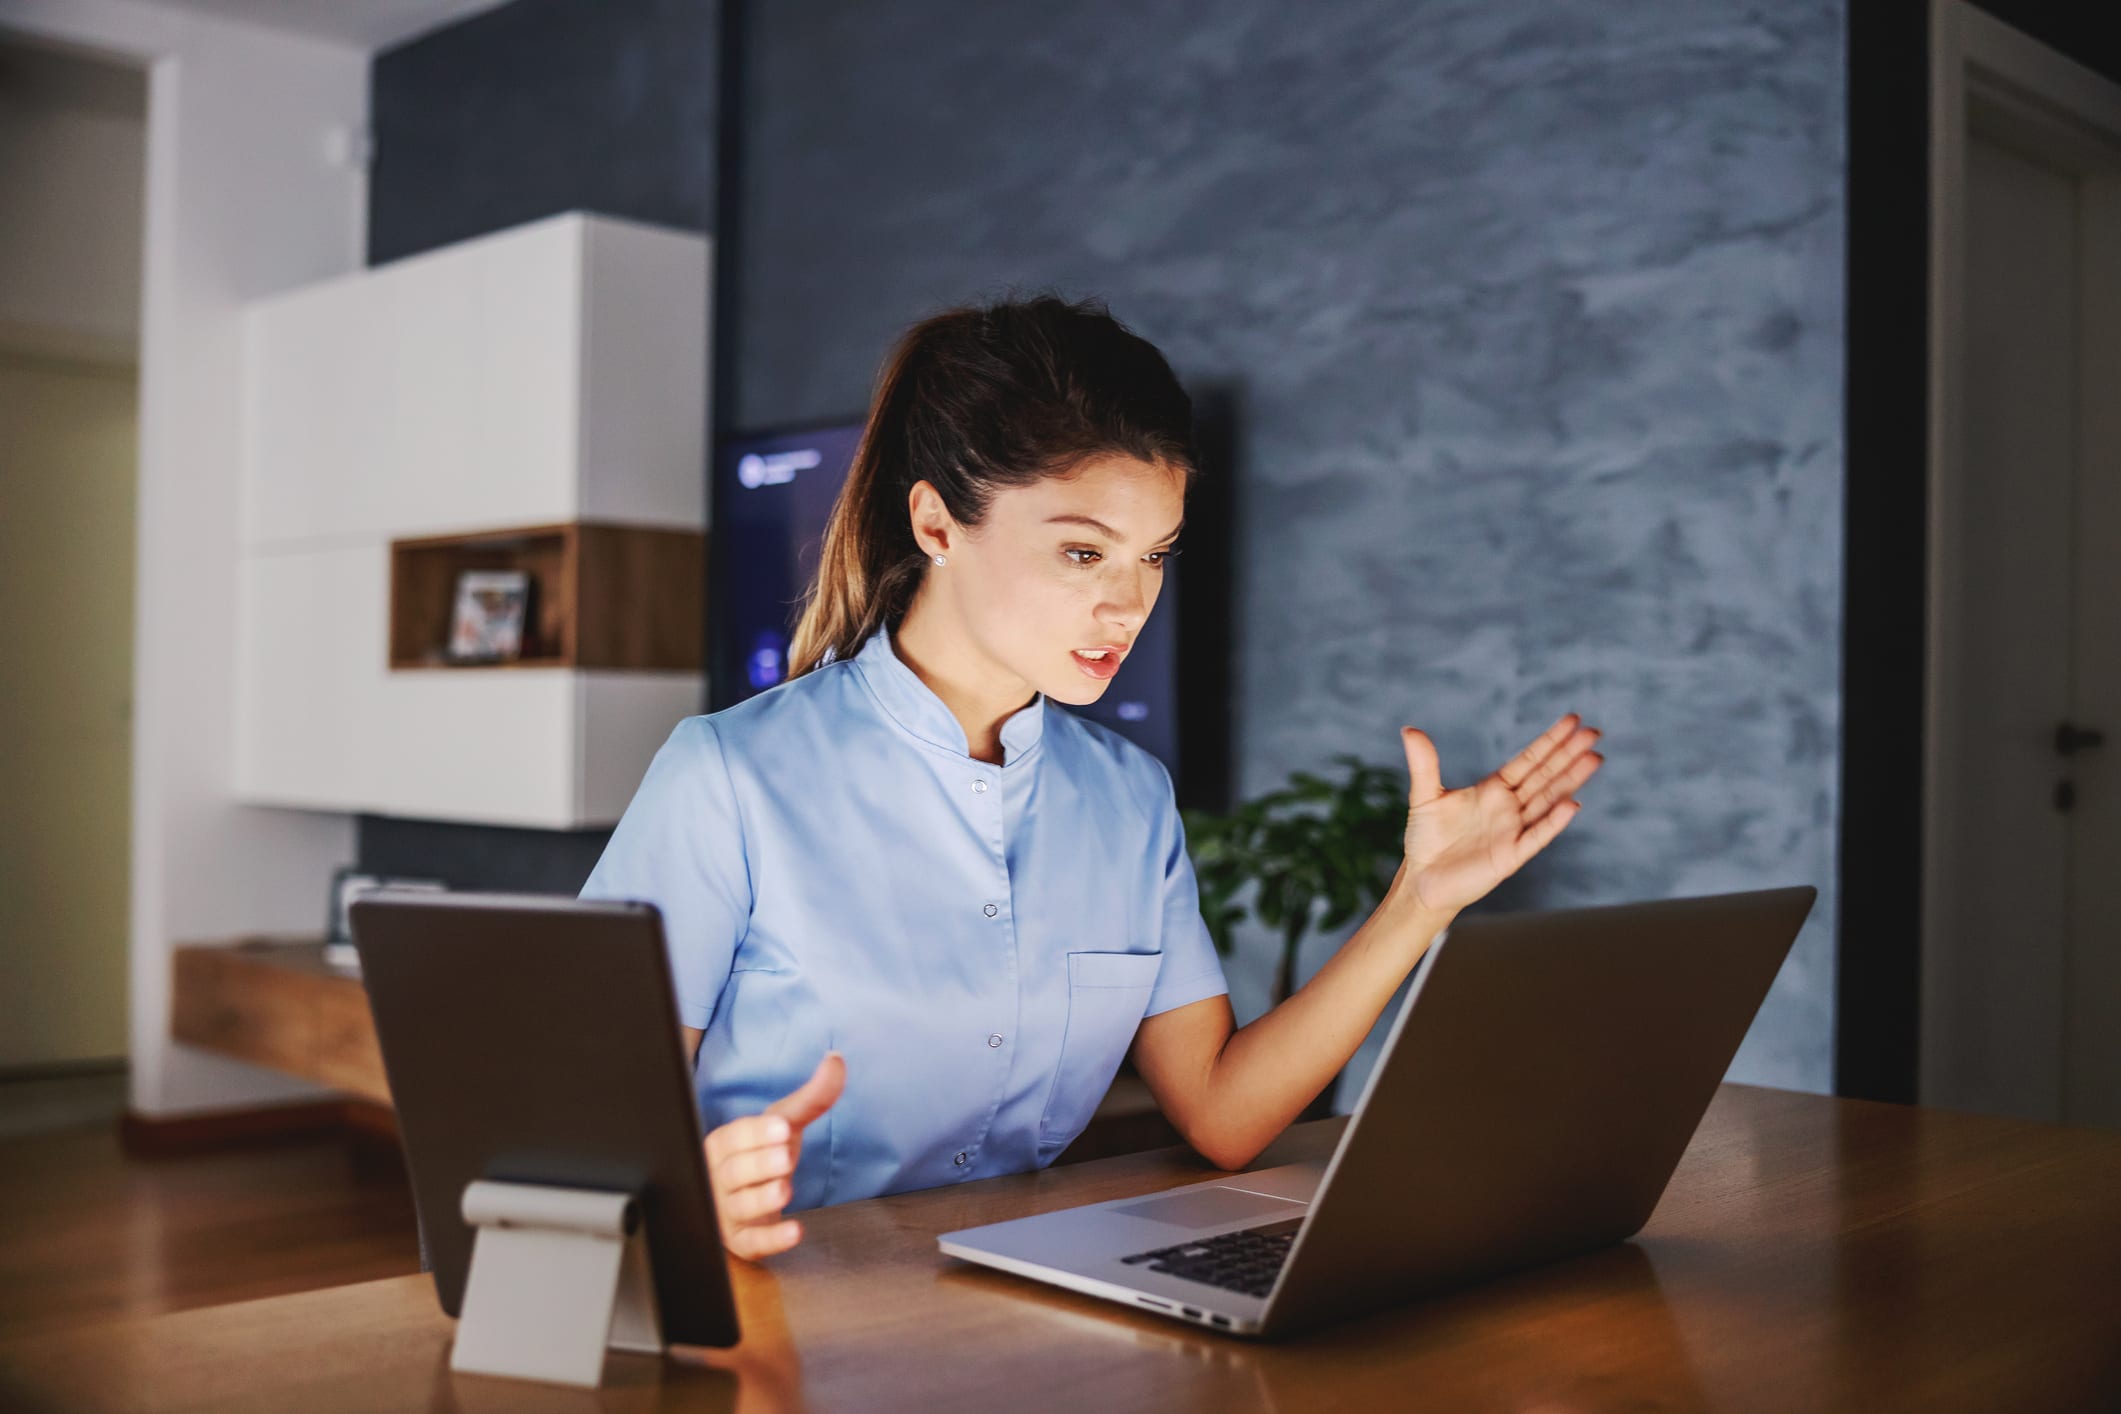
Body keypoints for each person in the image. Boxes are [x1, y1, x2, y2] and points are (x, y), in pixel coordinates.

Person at [579, 293, 1603, 1262]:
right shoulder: (729, 775)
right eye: (1083, 554)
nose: (1128, 606)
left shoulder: (1129, 799)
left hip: (1024, 1320)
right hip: (778, 1322)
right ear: (937, 525)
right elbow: (584, 1127)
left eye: (1154, 557)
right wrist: (687, 1190)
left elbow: (1222, 1112)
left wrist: (1418, 901)